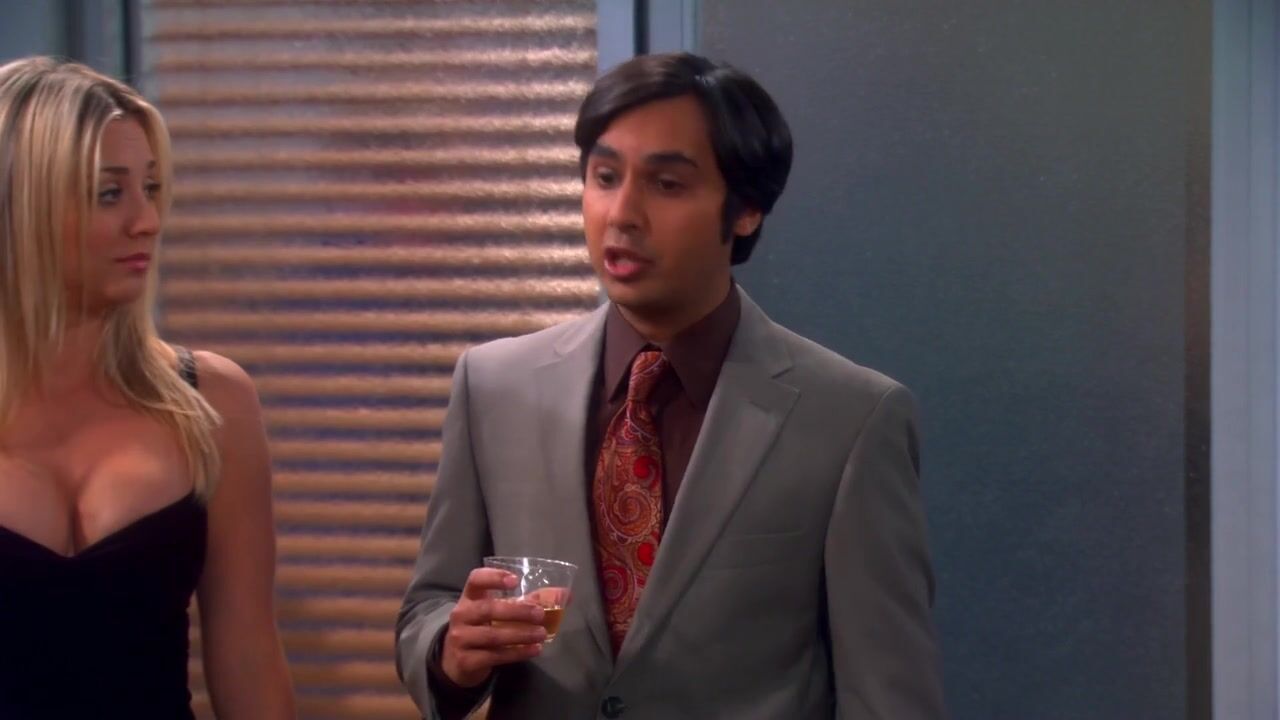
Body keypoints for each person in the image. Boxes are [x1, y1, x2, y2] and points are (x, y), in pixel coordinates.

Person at [397, 51, 946, 719]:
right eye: (604, 177)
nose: (622, 213)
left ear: (745, 210)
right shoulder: (495, 385)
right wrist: (450, 651)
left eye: (667, 185)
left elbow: (889, 694)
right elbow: (429, 606)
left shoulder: (850, 418)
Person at [0, 57, 295, 719]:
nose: (147, 220)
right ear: (18, 209)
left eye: (152, 188)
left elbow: (249, 661)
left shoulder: (210, 403)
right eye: (110, 194)